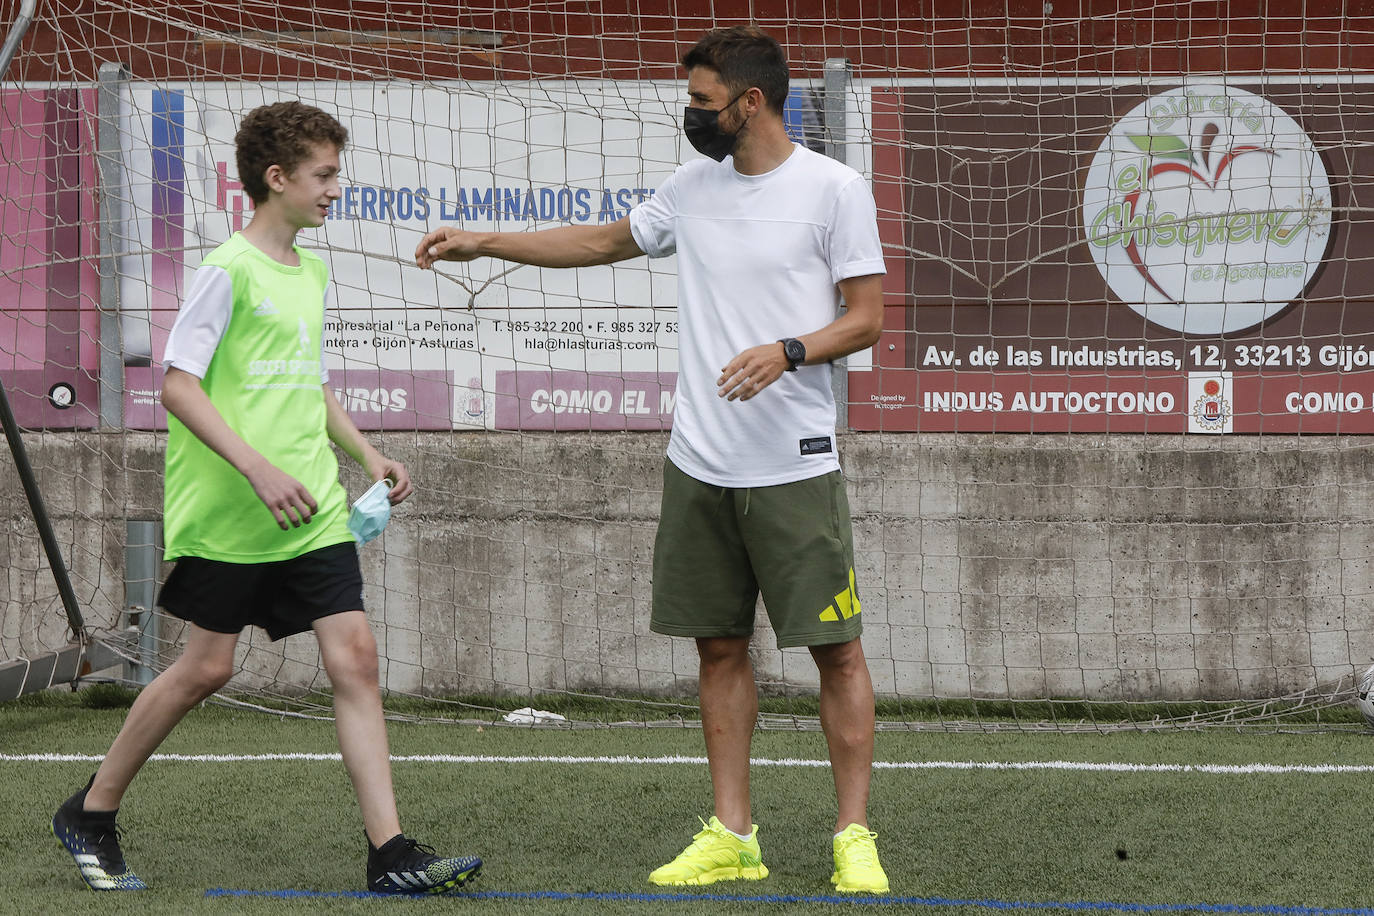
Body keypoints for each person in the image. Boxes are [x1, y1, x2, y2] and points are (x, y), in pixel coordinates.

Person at [414, 26, 888, 894]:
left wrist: (787, 350)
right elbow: (601, 242)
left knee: (839, 654)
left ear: (751, 103)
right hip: (699, 462)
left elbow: (866, 319)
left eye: (703, 102)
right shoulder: (691, 188)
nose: (692, 116)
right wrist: (486, 243)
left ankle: (853, 836)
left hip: (794, 465)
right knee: (717, 651)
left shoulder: (835, 190)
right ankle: (733, 837)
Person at [52, 101, 481, 895]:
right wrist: (254, 467)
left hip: (312, 506)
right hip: (236, 510)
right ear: (276, 179)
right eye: (324, 175)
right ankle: (91, 811)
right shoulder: (228, 270)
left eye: (337, 174)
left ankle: (390, 855)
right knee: (204, 669)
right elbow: (177, 386)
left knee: (355, 657)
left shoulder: (309, 270)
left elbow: (305, 384)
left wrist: (368, 453)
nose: (335, 189)